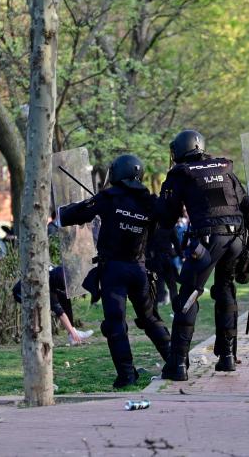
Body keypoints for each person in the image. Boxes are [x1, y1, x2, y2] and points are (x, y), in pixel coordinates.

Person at [59, 154, 170, 388]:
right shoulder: (151, 201)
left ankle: (127, 375)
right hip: (140, 270)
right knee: (150, 318)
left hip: (113, 271)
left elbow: (70, 216)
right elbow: (162, 224)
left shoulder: (108, 197)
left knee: (115, 323)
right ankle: (176, 362)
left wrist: (88, 205)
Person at [157, 130, 249, 379]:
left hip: (207, 241)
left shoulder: (181, 174)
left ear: (180, 150)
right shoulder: (225, 169)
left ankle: (178, 365)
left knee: (189, 296)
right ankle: (227, 357)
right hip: (235, 240)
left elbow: (168, 217)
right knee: (225, 291)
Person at [12, 266, 93, 345]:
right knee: (46, 309)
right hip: (20, 293)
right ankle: (72, 335)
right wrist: (72, 333)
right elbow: (60, 314)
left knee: (64, 296)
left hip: (43, 283)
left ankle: (72, 332)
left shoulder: (54, 270)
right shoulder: (46, 289)